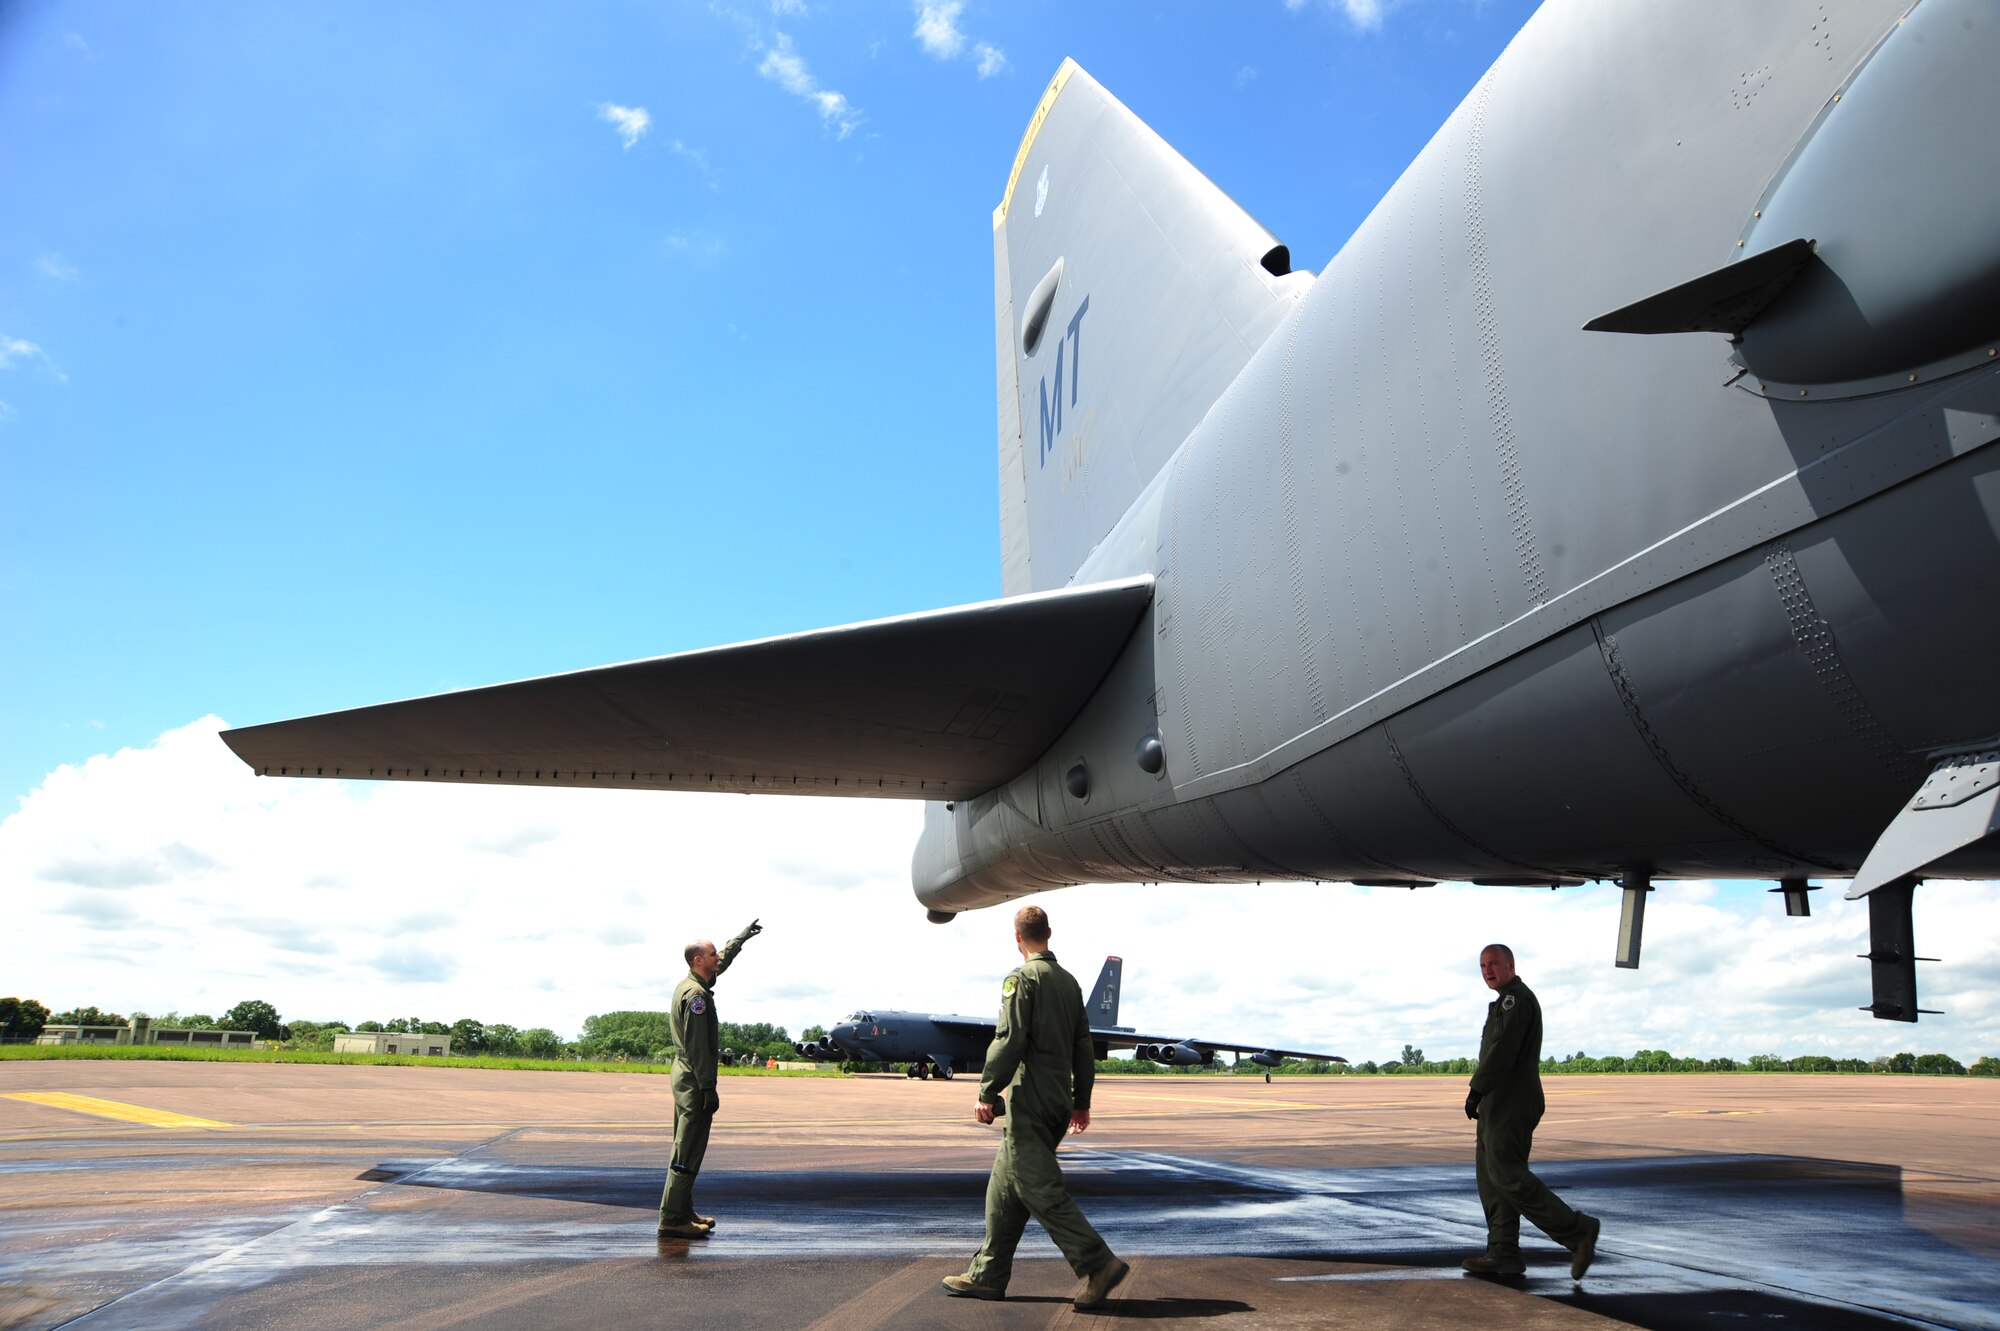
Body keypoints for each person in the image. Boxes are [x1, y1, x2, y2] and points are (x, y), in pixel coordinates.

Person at [942, 905, 1130, 1309]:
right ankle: (987, 1275)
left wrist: (987, 1092)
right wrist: (1082, 1103)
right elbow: (1085, 1047)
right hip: (1059, 1099)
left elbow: (1009, 1040)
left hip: (1031, 1098)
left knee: (1038, 1188)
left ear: (1017, 938)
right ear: (1049, 933)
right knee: (1004, 1190)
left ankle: (1098, 1264)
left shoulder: (1022, 979)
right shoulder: (1069, 983)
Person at [1461, 942, 1601, 1280]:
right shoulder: (1502, 1003)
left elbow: (1504, 1051)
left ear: (1511, 965)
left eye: (1493, 963)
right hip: (1497, 1100)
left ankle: (1577, 1230)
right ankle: (1503, 1252)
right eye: (1482, 966)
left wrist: (1477, 1087)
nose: (1487, 971)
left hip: (1511, 1099)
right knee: (1492, 1178)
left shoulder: (1516, 1000)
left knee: (1508, 1175)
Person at [657, 918, 762, 1239]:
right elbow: (699, 1048)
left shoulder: (691, 985)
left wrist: (740, 939)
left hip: (683, 1076)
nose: (718, 958)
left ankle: (682, 1208)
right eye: (713, 954)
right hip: (694, 1080)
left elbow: (722, 963)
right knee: (687, 1150)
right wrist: (708, 1088)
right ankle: (673, 1217)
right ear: (698, 960)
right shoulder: (697, 997)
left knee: (685, 1147)